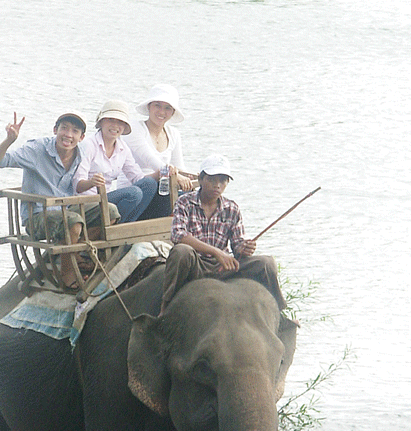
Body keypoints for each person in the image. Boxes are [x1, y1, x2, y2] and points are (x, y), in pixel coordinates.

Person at [0, 111, 119, 287]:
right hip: (38, 216)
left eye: (74, 131)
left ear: (81, 137)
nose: (68, 135)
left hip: (65, 211)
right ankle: (66, 275)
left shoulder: (81, 152)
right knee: (73, 221)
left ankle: (76, 253)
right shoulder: (36, 149)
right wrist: (9, 140)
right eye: (64, 128)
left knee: (110, 211)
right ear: (55, 130)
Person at [160, 153, 287, 313]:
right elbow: (178, 235)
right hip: (196, 264)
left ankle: (279, 314)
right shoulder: (184, 202)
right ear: (201, 180)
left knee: (266, 263)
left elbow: (237, 243)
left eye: (222, 181)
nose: (217, 185)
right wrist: (216, 252)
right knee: (181, 251)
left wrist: (244, 247)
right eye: (212, 180)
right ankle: (166, 305)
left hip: (224, 266)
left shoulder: (231, 208)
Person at [119, 83, 195, 218]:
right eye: (157, 106)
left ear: (172, 113)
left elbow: (179, 168)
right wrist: (176, 176)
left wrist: (192, 179)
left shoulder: (174, 134)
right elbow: (151, 160)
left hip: (162, 191)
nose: (161, 112)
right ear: (149, 107)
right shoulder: (134, 128)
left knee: (194, 195)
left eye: (167, 108)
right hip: (135, 193)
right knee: (151, 185)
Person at [74, 100, 158, 222]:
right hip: (87, 202)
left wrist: (159, 174)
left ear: (124, 127)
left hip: (106, 200)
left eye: (120, 122)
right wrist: (92, 182)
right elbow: (77, 185)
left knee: (150, 184)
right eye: (111, 120)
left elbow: (137, 177)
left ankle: (122, 226)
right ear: (102, 122)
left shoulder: (123, 148)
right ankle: (114, 227)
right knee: (133, 193)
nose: (115, 126)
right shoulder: (89, 145)